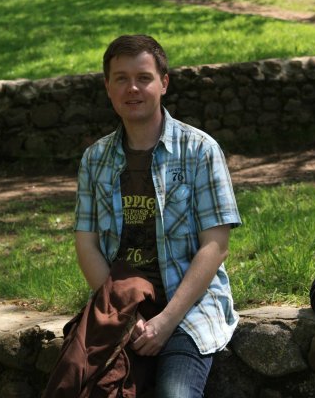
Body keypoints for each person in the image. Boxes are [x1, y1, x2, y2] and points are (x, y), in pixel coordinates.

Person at [73, 34, 241, 397]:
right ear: (107, 87)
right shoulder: (94, 159)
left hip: (189, 310)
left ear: (164, 83)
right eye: (121, 78)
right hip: (122, 309)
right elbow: (86, 245)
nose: (132, 88)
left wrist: (165, 321)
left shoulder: (200, 150)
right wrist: (124, 316)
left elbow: (216, 245)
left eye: (143, 77)